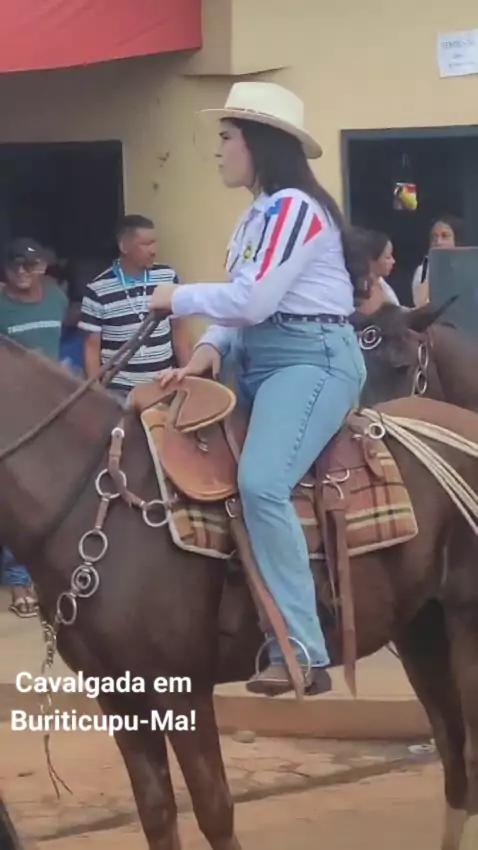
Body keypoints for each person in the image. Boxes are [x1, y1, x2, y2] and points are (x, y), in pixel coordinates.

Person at [148, 81, 367, 697]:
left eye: (226, 137)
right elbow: (242, 311)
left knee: (261, 482)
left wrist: (176, 296)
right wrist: (209, 353)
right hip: (257, 356)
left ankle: (301, 649)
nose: (217, 150)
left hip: (311, 359)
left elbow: (252, 299)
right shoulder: (258, 214)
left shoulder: (294, 209)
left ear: (259, 143)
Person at [0, 237, 68, 616]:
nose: (22, 272)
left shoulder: (56, 297)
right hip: (13, 415)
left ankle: (49, 576)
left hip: (55, 412)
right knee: (17, 498)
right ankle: (19, 580)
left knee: (54, 495)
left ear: (43, 266)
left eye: (30, 265)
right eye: (14, 265)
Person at [79, 215, 191, 403]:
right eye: (145, 244)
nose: (153, 250)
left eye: (154, 243)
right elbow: (91, 348)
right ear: (124, 246)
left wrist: (190, 379)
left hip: (164, 385)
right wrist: (96, 394)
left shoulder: (167, 277)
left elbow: (180, 333)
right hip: (120, 393)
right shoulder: (98, 289)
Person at [412, 215, 464, 308]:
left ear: (456, 241)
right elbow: (421, 302)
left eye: (445, 236)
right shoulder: (424, 268)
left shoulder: (466, 266)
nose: (438, 242)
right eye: (434, 237)